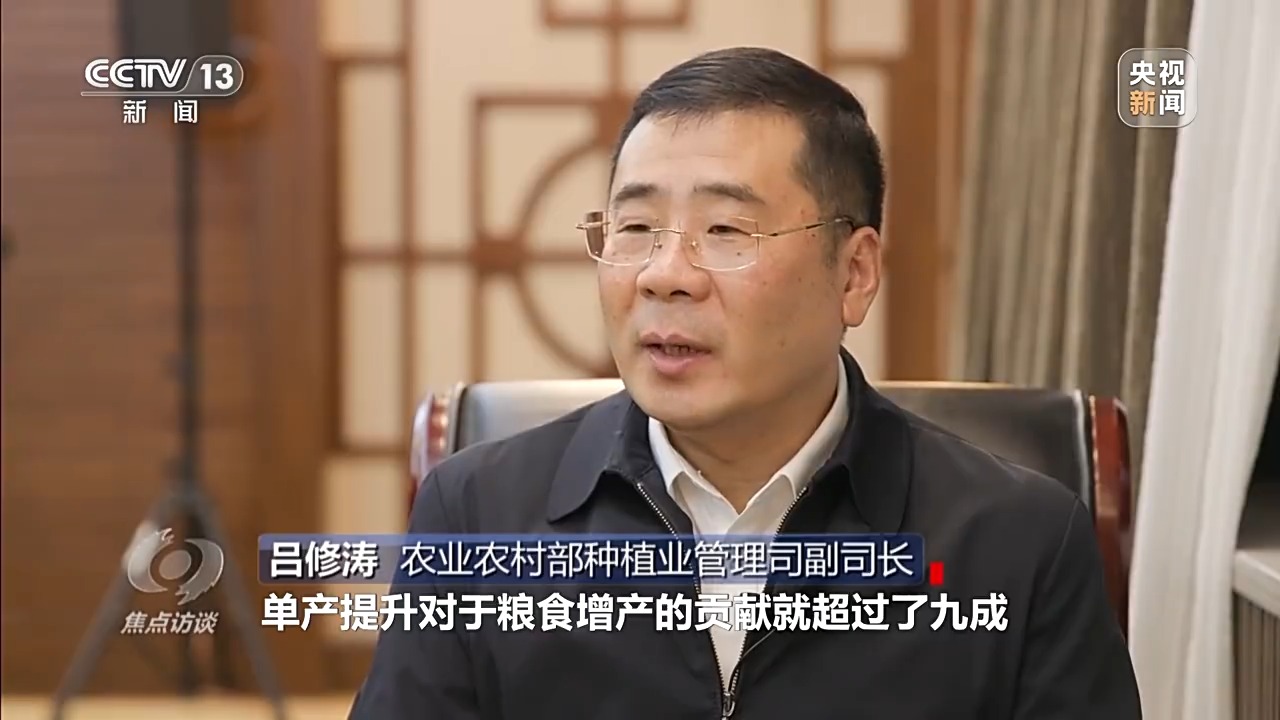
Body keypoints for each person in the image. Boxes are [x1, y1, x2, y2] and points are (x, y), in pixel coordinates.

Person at [350, 46, 1142, 719]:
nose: (664, 275)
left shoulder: (1021, 544)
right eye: (635, 228)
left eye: (725, 230)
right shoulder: (476, 515)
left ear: (854, 273)